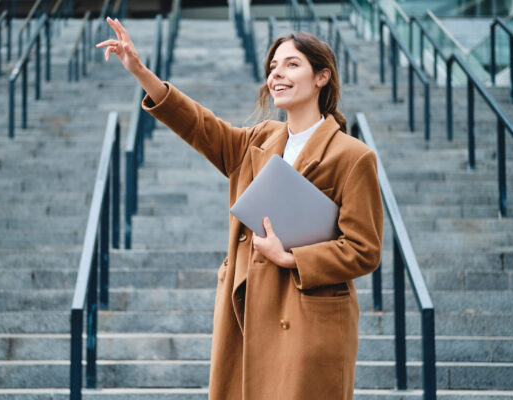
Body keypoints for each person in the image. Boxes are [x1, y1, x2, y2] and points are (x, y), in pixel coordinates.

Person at [97, 17, 383, 400]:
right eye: (273, 67)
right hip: (247, 312)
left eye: (291, 64)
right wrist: (140, 71)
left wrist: (291, 257)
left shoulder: (353, 156)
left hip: (309, 318)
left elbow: (364, 249)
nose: (277, 74)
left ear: (322, 77)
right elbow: (199, 125)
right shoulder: (258, 141)